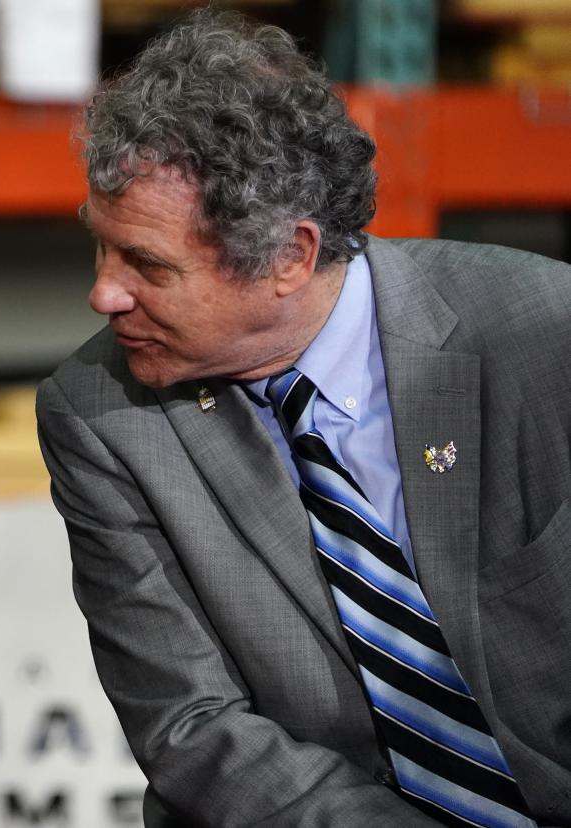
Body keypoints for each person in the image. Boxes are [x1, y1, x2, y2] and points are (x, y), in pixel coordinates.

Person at [37, 10, 571, 827]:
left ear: (291, 256)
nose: (104, 293)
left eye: (147, 264)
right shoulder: (103, 412)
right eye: (101, 248)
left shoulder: (543, 334)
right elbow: (193, 729)